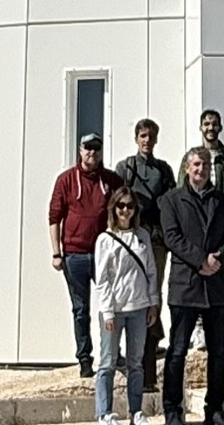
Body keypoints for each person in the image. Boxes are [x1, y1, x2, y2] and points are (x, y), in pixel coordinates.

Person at [163, 146, 224, 425]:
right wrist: (200, 260)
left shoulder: (221, 200)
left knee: (218, 353)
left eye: (205, 165)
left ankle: (215, 409)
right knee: (177, 351)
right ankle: (173, 410)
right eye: (196, 164)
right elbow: (172, 237)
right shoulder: (171, 200)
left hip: (216, 287)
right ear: (187, 168)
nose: (201, 169)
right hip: (186, 286)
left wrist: (218, 257)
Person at [51, 134, 127, 378]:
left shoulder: (111, 180)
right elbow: (54, 217)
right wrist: (56, 253)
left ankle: (113, 353)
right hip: (74, 255)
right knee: (81, 309)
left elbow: (124, 212)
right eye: (87, 148)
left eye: (96, 148)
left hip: (104, 255)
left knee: (111, 306)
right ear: (80, 150)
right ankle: (84, 358)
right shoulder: (66, 180)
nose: (92, 152)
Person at [92, 189, 160, 425]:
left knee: (136, 363)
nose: (125, 210)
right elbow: (102, 278)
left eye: (130, 206)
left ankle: (136, 411)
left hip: (139, 307)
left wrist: (153, 302)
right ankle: (104, 413)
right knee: (108, 362)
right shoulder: (105, 239)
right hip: (114, 309)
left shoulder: (142, 236)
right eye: (121, 206)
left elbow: (151, 271)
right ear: (114, 208)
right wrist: (107, 311)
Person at [117, 119, 178, 381]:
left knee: (154, 290)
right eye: (143, 136)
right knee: (130, 288)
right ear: (136, 138)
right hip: (131, 238)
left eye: (151, 136)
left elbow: (170, 204)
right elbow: (117, 203)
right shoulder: (125, 167)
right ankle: (130, 344)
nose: (147, 140)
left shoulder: (163, 170)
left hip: (156, 239)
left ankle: (151, 341)